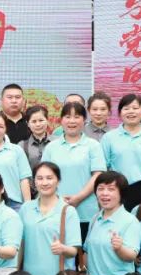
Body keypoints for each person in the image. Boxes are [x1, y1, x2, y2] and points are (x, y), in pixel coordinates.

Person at [17, 162, 81, 275]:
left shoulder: (68, 211)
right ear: (34, 182)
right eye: (39, 178)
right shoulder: (26, 209)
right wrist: (17, 272)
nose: (44, 182)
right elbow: (21, 245)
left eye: (49, 178)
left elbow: (74, 251)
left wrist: (63, 248)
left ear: (58, 180)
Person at [41, 101, 105, 239]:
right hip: (56, 209)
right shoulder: (51, 147)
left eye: (77, 117)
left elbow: (98, 175)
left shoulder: (93, 146)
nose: (72, 121)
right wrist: (57, 199)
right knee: (58, 249)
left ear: (84, 120)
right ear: (61, 120)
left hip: (86, 211)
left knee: (83, 250)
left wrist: (78, 198)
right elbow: (43, 176)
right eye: (67, 117)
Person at [83, 172, 141, 275]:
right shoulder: (95, 218)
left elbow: (131, 256)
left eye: (111, 189)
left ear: (121, 193)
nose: (104, 193)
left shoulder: (130, 221)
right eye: (100, 189)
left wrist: (119, 248)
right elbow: (87, 251)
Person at [101, 94, 141, 211]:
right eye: (126, 108)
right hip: (117, 192)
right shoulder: (109, 137)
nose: (131, 111)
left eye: (135, 108)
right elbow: (103, 169)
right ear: (119, 113)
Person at [21, 105, 52, 173]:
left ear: (47, 120)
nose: (38, 124)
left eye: (41, 120)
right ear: (28, 124)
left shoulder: (58, 142)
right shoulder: (22, 146)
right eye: (34, 121)